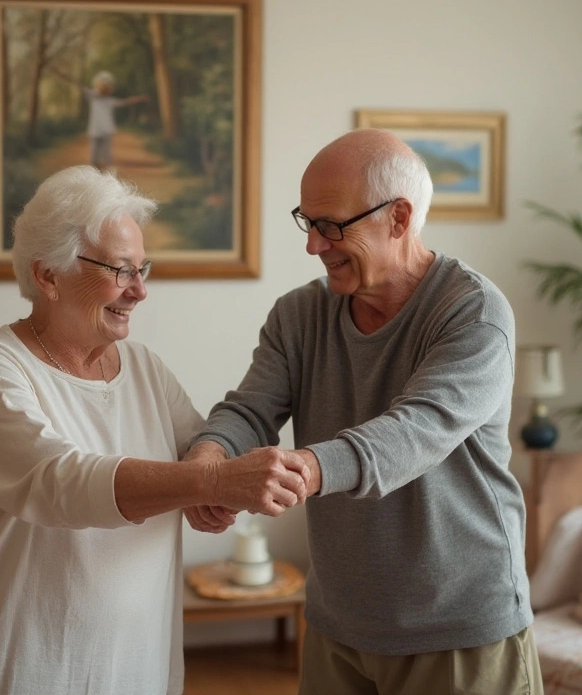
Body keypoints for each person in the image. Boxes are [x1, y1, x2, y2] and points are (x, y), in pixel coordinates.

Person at [0, 165, 310, 695]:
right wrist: (211, 484)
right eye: (121, 270)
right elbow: (58, 483)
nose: (140, 291)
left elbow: (200, 456)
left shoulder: (144, 367)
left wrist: (212, 482)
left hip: (131, 664)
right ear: (48, 275)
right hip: (13, 665)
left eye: (143, 268)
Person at [182, 129, 542, 694]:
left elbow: (415, 431)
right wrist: (208, 468)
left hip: (457, 629)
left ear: (398, 218)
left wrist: (296, 470)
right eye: (308, 221)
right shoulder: (298, 315)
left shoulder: (473, 313)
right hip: (338, 625)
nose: (313, 245)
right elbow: (249, 410)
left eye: (332, 226)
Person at [83, 70, 147, 171]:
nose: (104, 87)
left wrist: (138, 99)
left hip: (106, 129)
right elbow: (86, 91)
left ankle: (105, 170)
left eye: (107, 85)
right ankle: (94, 170)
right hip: (95, 129)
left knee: (106, 153)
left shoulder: (109, 101)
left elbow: (124, 102)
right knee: (94, 153)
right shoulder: (93, 96)